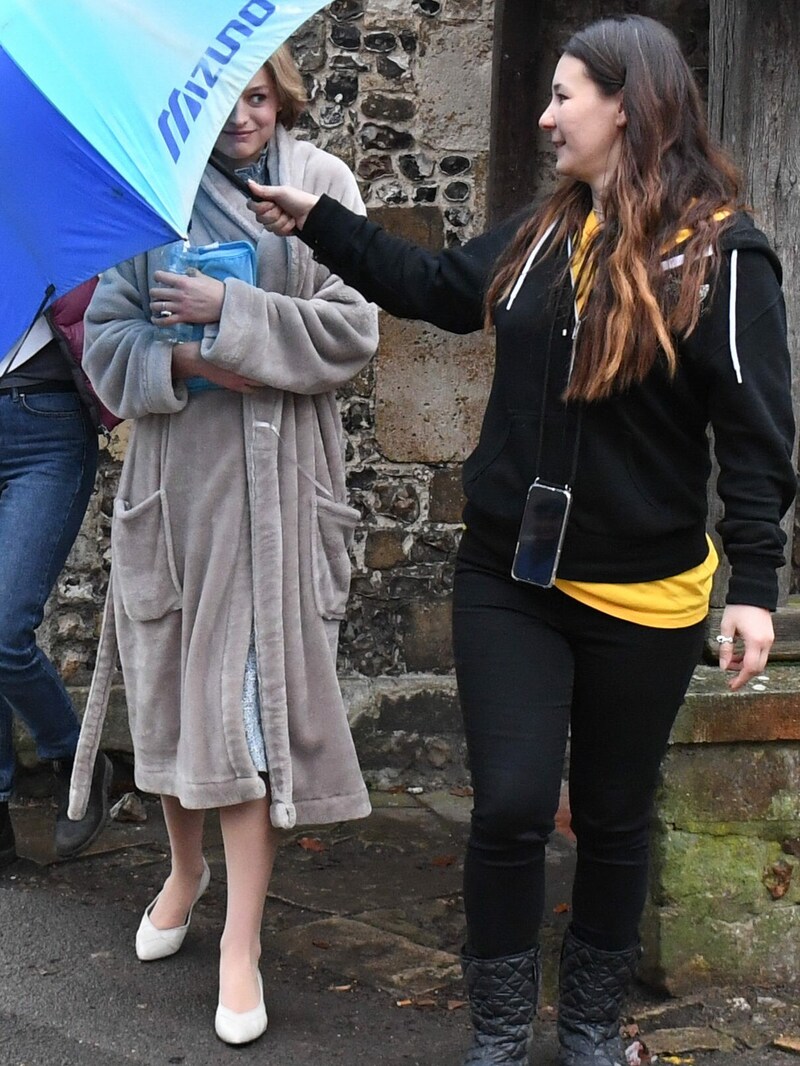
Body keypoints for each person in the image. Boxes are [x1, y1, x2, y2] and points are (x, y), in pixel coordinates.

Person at [246, 16, 796, 1066]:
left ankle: (587, 1027)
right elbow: (441, 291)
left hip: (644, 593)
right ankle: (499, 1034)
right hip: (510, 572)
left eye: (561, 97)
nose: (543, 118)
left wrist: (753, 582)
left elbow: (755, 432)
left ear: (625, 105)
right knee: (505, 804)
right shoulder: (546, 230)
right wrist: (320, 221)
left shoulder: (725, 256)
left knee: (611, 811)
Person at [67, 45, 378, 1046]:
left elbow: (353, 328)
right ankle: (184, 869)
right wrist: (190, 357)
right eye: (226, 100)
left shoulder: (321, 183)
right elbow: (107, 345)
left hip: (275, 494)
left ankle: (238, 940)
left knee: (241, 717)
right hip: (173, 492)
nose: (242, 116)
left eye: (258, 96)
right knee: (170, 701)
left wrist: (231, 315)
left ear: (279, 96)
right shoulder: (147, 206)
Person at [0, 281, 113, 869]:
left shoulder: (60, 195)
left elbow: (109, 298)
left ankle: (76, 757)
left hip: (45, 423)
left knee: (3, 629)